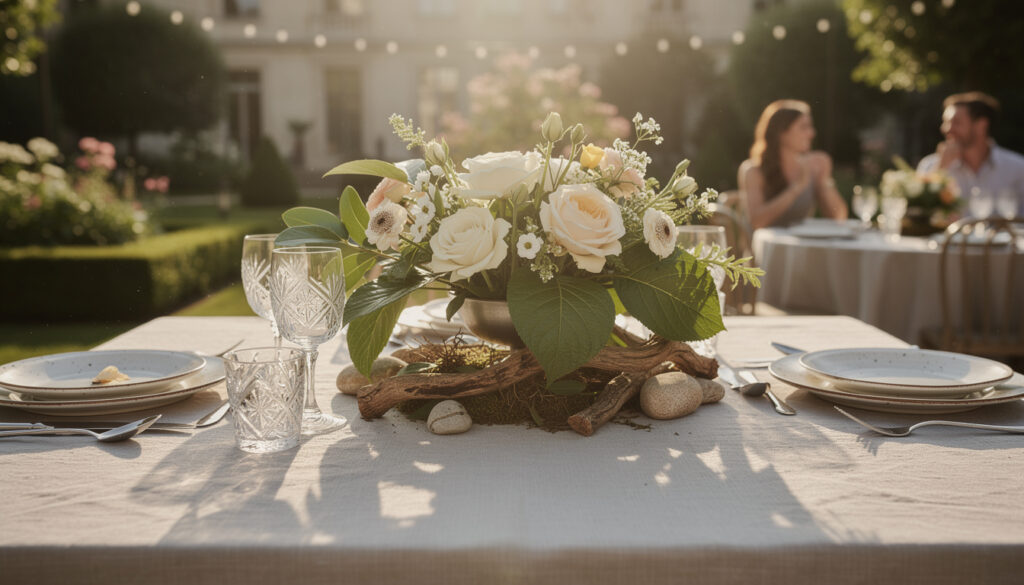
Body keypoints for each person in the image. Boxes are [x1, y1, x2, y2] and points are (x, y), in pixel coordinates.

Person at [738, 99, 848, 229]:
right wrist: (796, 188)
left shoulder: (811, 168)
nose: (812, 133)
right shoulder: (753, 170)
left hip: (800, 247)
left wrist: (824, 180)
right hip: (765, 248)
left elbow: (839, 218)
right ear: (781, 133)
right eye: (803, 127)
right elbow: (756, 222)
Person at [917, 91, 1024, 217]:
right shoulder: (931, 165)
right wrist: (940, 170)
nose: (946, 129)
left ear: (981, 126)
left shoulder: (1018, 168)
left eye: (956, 122)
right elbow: (917, 215)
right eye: (945, 122)